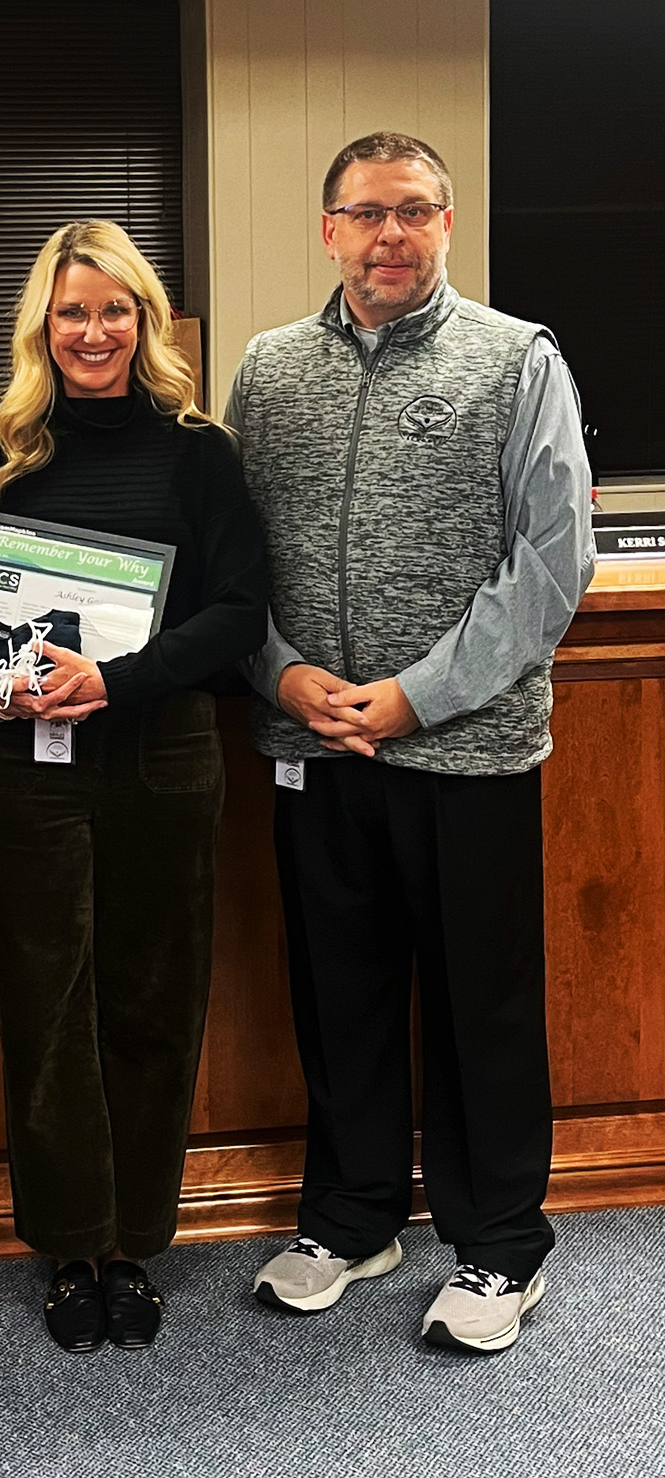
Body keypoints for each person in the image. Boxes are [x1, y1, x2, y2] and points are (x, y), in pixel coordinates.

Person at [225, 132, 594, 1353]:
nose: (391, 234)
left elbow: (552, 566)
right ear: (327, 229)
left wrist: (417, 696)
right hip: (312, 746)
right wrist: (283, 672)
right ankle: (354, 1213)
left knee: (481, 1004)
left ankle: (499, 1248)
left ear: (448, 224)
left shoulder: (515, 359)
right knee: (342, 997)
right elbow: (235, 563)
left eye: (415, 212)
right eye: (367, 213)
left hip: (467, 752)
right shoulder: (269, 371)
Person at [0, 219, 268, 1352]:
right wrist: (3, 683)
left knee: (154, 1001)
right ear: (43, 325)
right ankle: (72, 1249)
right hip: (23, 776)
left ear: (147, 322)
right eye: (73, 311)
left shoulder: (198, 450)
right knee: (48, 1006)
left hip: (162, 761)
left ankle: (135, 1243)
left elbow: (236, 613)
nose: (94, 331)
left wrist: (114, 679)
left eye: (115, 310)